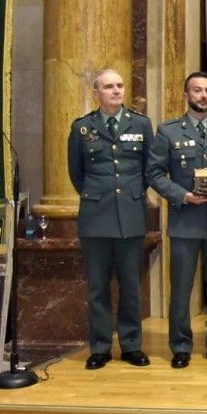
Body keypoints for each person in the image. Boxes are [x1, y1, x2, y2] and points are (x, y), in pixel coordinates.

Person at [146, 71, 207, 368]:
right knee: (182, 288)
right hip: (185, 220)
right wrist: (182, 195)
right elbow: (154, 174)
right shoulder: (168, 131)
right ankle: (181, 346)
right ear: (186, 95)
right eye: (197, 90)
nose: (203, 96)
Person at [67, 68, 153, 370]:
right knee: (98, 286)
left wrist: (129, 195)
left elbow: (147, 170)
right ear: (97, 92)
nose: (116, 91)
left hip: (130, 215)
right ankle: (100, 347)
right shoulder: (82, 128)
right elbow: (77, 174)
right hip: (95, 217)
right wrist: (99, 195)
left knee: (131, 285)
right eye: (109, 87)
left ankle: (131, 345)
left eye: (120, 85)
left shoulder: (141, 124)